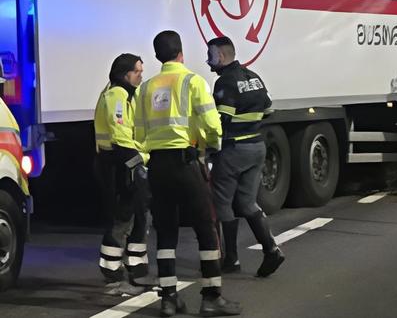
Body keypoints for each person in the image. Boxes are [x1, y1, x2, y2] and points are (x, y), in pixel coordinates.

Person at [134, 31, 241, 317]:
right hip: (187, 164)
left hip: (157, 167)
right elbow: (211, 123)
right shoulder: (194, 81)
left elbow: (139, 134)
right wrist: (212, 147)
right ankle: (211, 296)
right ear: (181, 52)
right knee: (206, 230)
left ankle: (168, 299)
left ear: (158, 56)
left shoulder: (146, 89)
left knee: (166, 233)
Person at [206, 36, 284, 276]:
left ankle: (231, 259)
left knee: (222, 205)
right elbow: (268, 109)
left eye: (210, 55)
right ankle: (271, 250)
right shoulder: (254, 77)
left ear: (220, 56)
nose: (207, 60)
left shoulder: (225, 83)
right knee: (248, 203)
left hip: (233, 151)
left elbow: (221, 120)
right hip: (257, 147)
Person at [93, 53, 151, 290]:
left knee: (136, 214)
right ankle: (112, 266)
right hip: (119, 162)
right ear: (124, 73)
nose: (141, 75)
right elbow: (121, 136)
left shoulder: (126, 94)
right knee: (125, 216)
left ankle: (131, 266)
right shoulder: (117, 95)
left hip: (122, 161)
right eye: (137, 71)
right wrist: (139, 161)